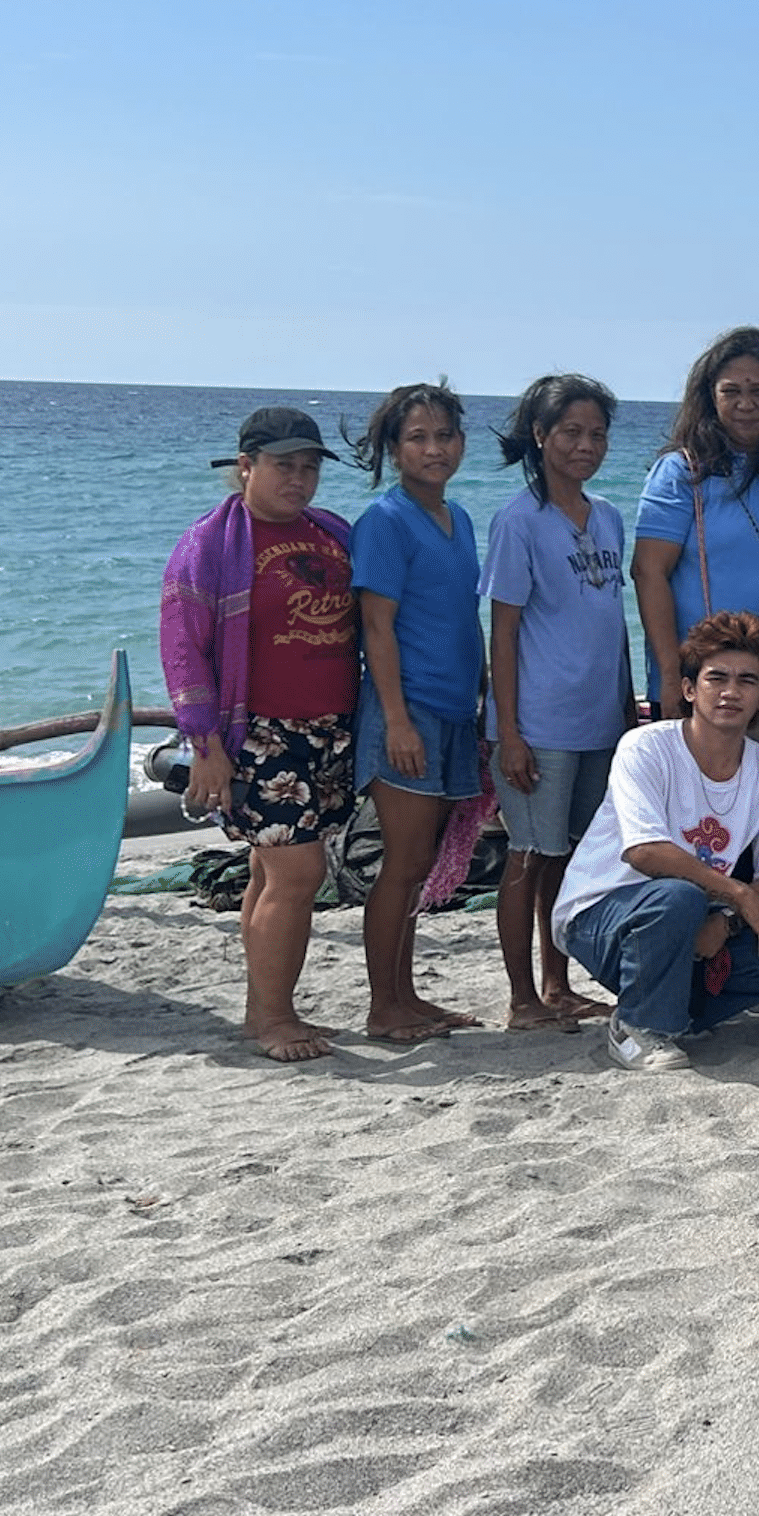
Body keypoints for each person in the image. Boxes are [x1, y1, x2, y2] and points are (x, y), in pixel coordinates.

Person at [159, 407, 357, 1062]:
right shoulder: (213, 544)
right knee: (297, 875)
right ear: (245, 467)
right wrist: (204, 747)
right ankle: (276, 1018)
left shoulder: (331, 531)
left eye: (308, 468)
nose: (298, 480)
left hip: (328, 730)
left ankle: (258, 1011)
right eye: (283, 466)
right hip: (259, 735)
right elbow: (183, 653)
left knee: (268, 874)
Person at [553, 612, 759, 1073]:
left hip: (696, 914)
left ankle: (673, 1014)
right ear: (690, 689)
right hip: (603, 914)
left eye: (747, 681)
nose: (731, 692)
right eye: (717, 678)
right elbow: (644, 852)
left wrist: (729, 923)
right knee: (679, 897)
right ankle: (636, 1026)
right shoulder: (645, 747)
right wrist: (734, 895)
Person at [481, 373, 634, 1031]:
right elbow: (505, 632)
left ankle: (557, 981)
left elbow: (611, 622)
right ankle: (521, 998)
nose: (585, 445)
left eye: (596, 433)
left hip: (599, 720)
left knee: (569, 856)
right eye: (570, 431)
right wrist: (508, 731)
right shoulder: (519, 521)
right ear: (539, 437)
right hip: (537, 724)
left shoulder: (607, 516)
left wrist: (630, 710)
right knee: (528, 854)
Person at [349, 381, 485, 1046]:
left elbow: (464, 618)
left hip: (456, 709)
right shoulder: (385, 520)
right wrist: (397, 722)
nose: (434, 449)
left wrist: (485, 698)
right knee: (402, 864)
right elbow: (377, 630)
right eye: (418, 438)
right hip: (407, 712)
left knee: (422, 862)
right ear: (394, 449)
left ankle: (406, 995)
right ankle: (384, 1005)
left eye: (445, 436)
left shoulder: (457, 520)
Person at [630, 328, 759, 746]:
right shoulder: (682, 472)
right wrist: (671, 677)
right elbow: (648, 572)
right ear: (710, 396)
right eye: (731, 391)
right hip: (698, 688)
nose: (745, 404)